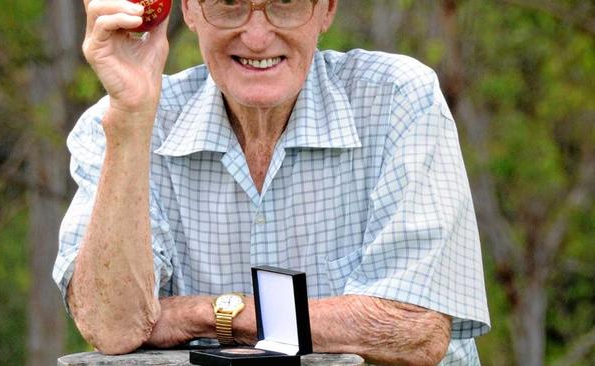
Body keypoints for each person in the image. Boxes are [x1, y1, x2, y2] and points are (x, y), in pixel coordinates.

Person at [53, 0, 491, 364]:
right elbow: (111, 327)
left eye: (284, 5)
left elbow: (415, 329)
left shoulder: (398, 98)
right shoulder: (120, 126)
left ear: (327, 10)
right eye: (229, 5)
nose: (257, 36)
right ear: (190, 10)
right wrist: (130, 118)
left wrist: (210, 314)